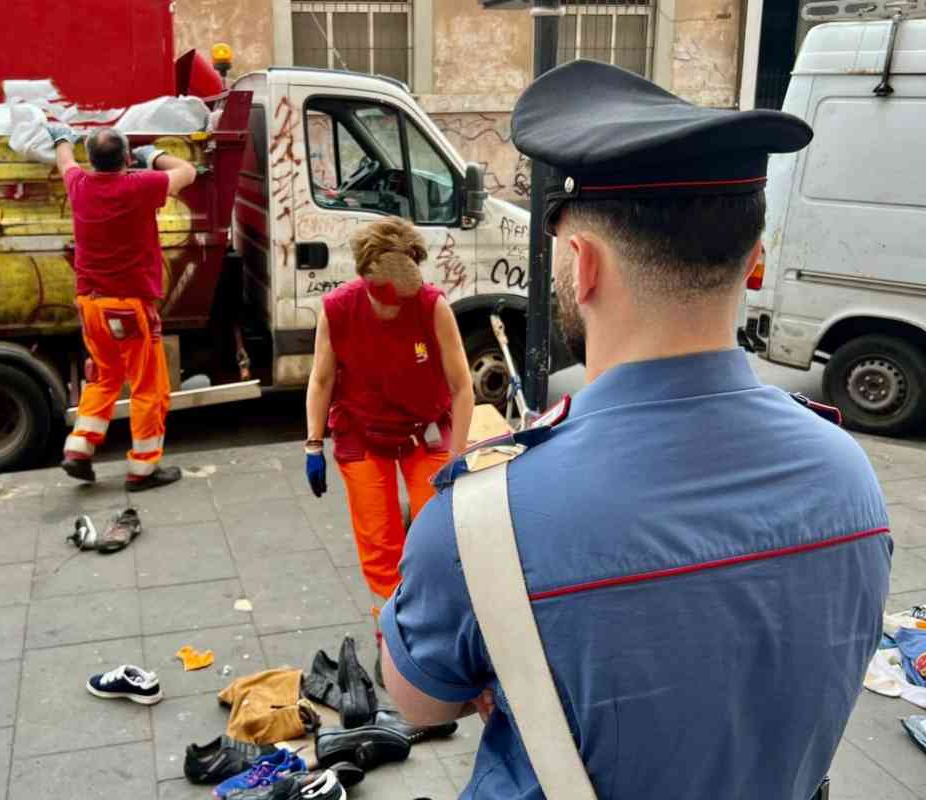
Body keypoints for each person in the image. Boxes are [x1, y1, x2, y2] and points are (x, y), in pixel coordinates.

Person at [379, 60, 891, 799]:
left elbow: (419, 702)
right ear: (754, 263)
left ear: (582, 266)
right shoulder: (848, 475)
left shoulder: (481, 521)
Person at [305, 216, 474, 672]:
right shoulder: (338, 310)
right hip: (362, 433)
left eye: (404, 296)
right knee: (380, 543)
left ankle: (436, 622)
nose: (397, 306)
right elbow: (321, 380)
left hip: (424, 431)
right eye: (386, 297)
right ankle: (392, 633)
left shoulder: (431, 307)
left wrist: (457, 457)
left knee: (437, 532)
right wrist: (313, 444)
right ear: (366, 280)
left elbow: (461, 387)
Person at [49, 125, 195, 491]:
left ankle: (78, 450)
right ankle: (143, 469)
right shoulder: (139, 186)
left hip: (91, 305)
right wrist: (155, 157)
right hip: (129, 307)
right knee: (148, 387)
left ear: (92, 161)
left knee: (104, 376)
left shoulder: (79, 186)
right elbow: (187, 173)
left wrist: (60, 137)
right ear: (127, 159)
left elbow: (64, 161)